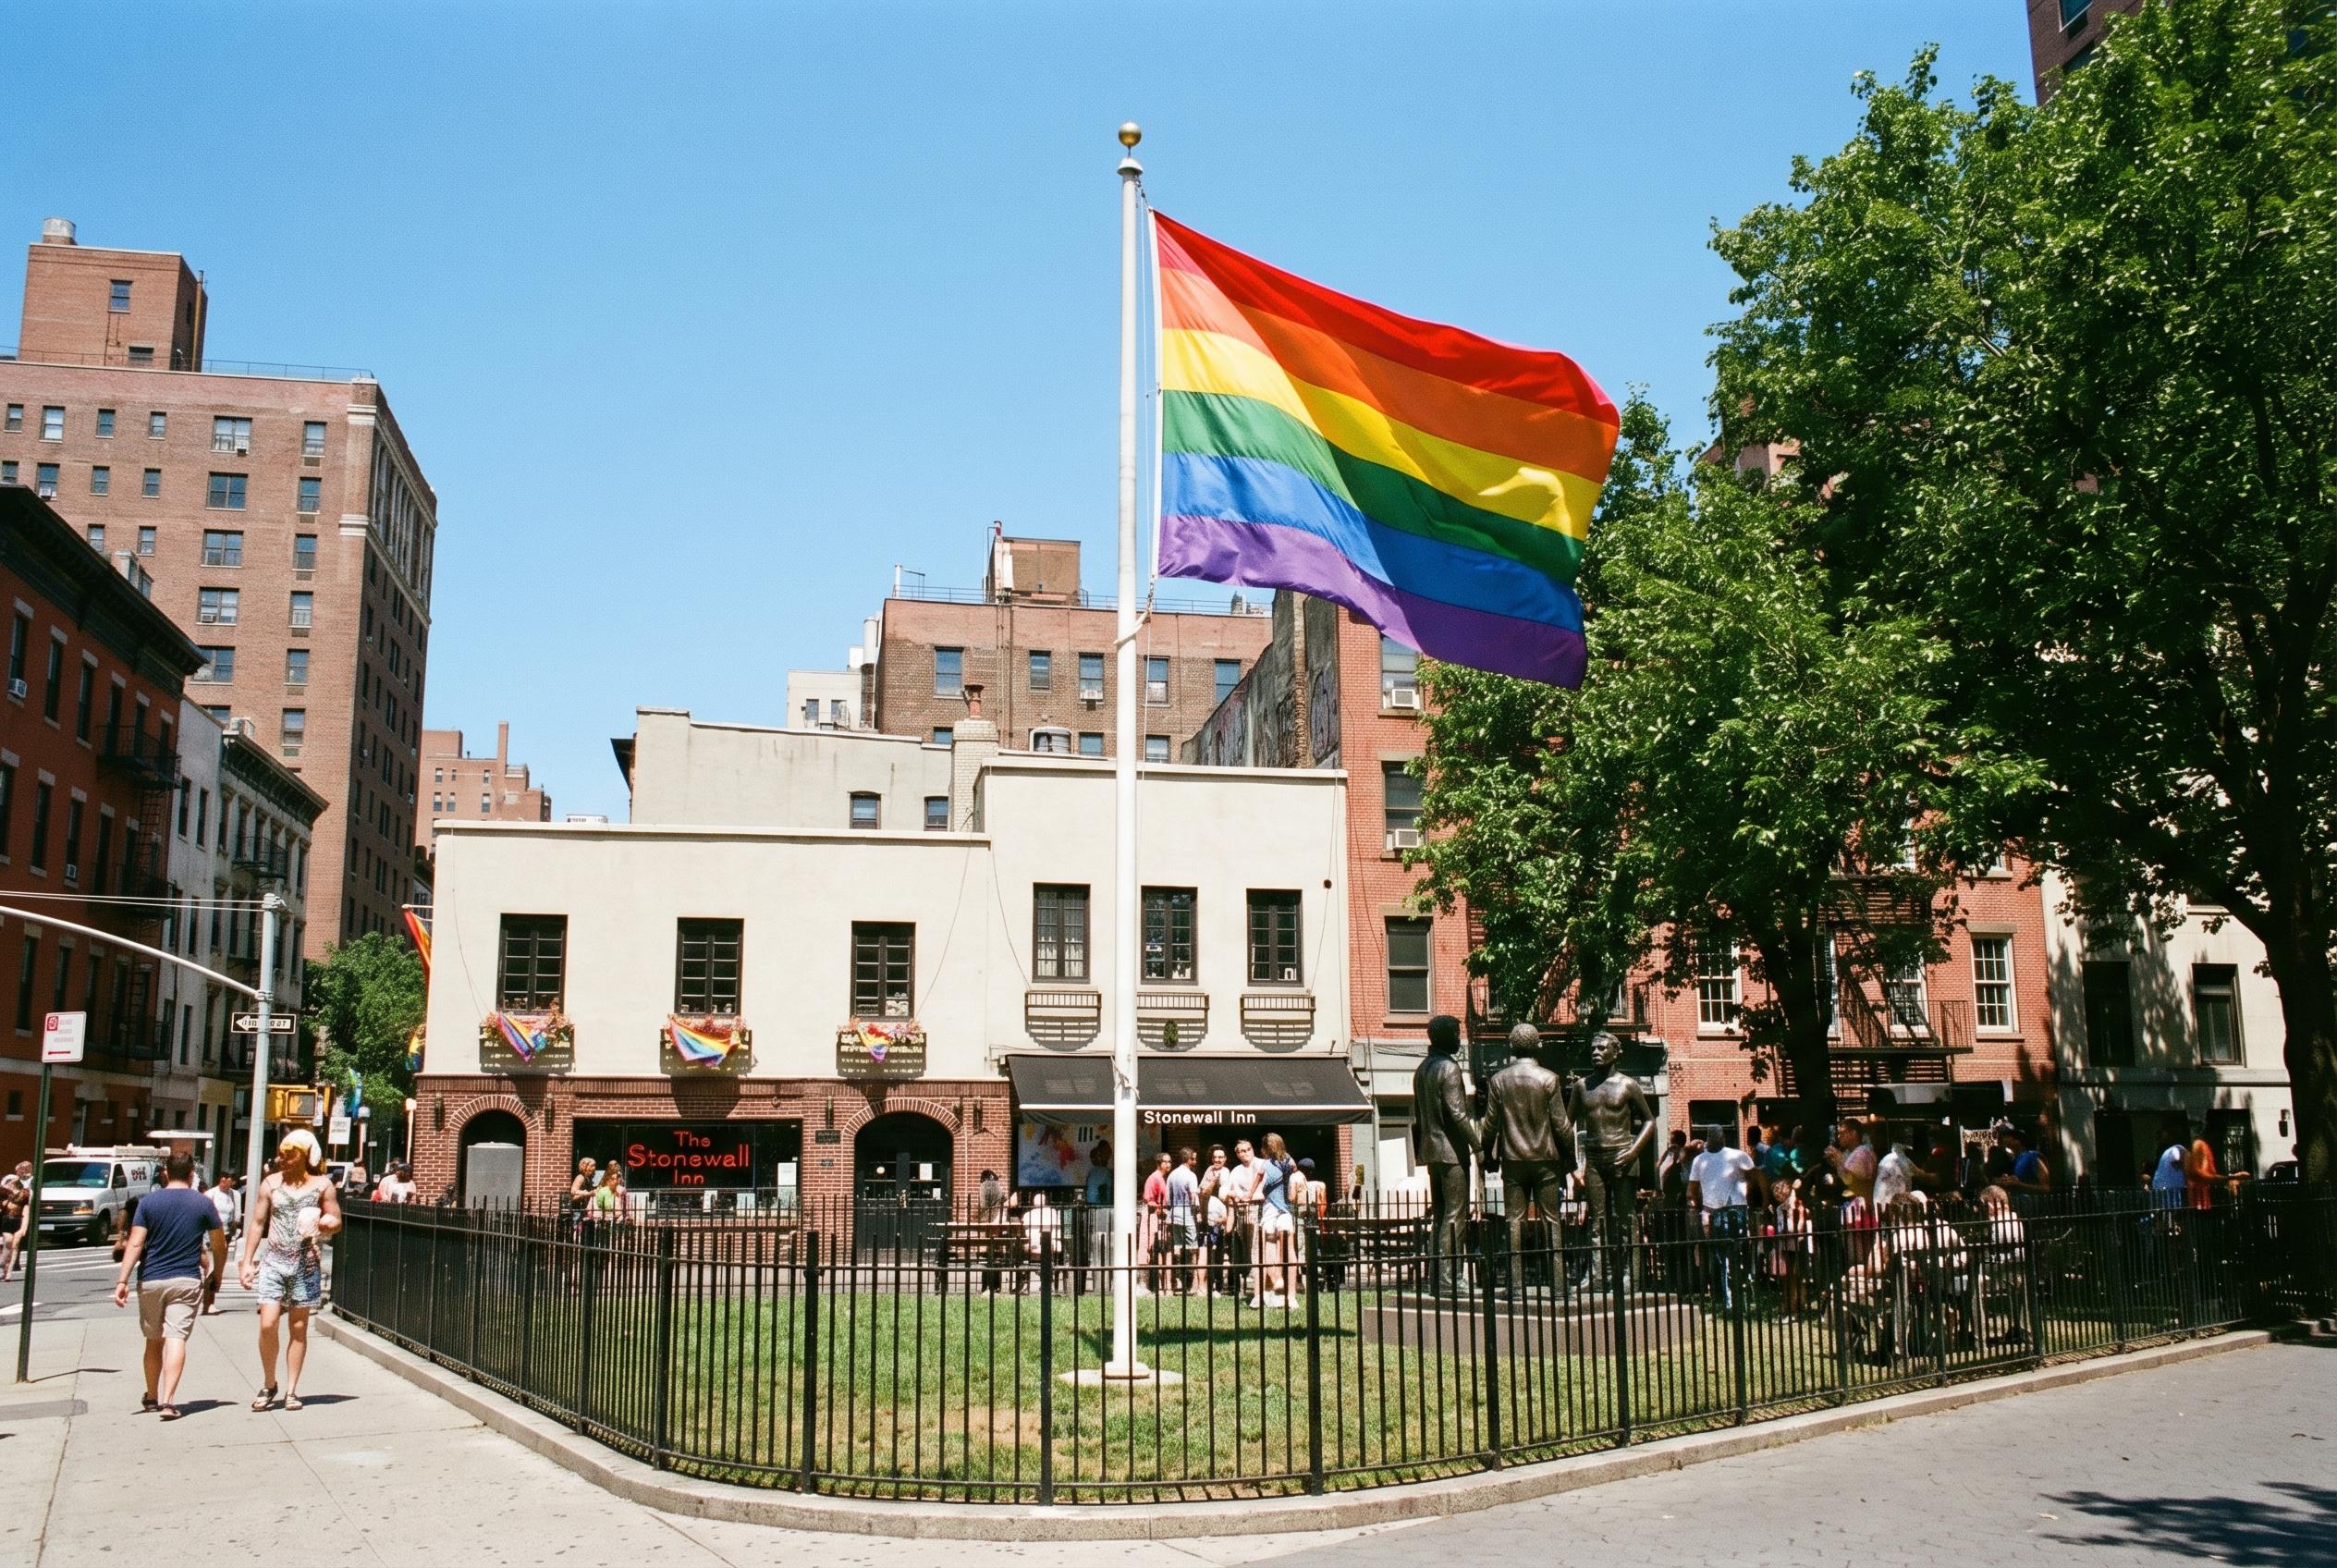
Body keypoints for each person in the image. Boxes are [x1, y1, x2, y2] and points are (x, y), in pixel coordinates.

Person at [112, 1150, 226, 1421]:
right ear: (191, 1174)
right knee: (176, 1337)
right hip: (186, 1279)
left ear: (165, 1173)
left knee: (153, 1341)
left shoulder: (148, 1203)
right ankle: (168, 1401)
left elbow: (136, 1243)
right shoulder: (203, 1203)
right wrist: (216, 1274)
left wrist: (122, 1280)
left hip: (151, 1278)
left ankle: (151, 1396)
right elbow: (219, 1245)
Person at [239, 1129, 343, 1412]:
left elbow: (336, 1221)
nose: (284, 1158)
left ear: (307, 1155)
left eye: (291, 1153)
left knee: (298, 1328)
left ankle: (292, 1390)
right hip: (273, 1260)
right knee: (267, 1324)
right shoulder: (270, 1183)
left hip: (305, 1262)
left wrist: (326, 1224)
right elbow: (258, 1223)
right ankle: (269, 1382)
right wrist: (247, 1261)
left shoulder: (323, 1185)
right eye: (283, 1153)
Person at [1688, 1126, 1755, 1310]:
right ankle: (1728, 1300)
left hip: (1736, 1209)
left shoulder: (1738, 1156)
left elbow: (1755, 1177)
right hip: (1714, 1212)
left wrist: (1755, 1198)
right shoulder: (1699, 1160)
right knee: (1720, 1257)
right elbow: (1692, 1190)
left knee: (1736, 1255)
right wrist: (1698, 1208)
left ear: (1723, 1137)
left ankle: (1741, 1297)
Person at [1250, 1133, 1297, 1308]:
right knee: (1285, 1247)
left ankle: (1278, 1282)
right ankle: (1287, 1292)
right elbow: (1293, 1181)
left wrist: (1248, 1195)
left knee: (1271, 1243)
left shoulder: (1267, 1164)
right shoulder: (1288, 1162)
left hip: (1273, 1209)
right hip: (1281, 1209)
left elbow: (1256, 1183)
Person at [201, 1173, 240, 1315]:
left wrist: (232, 1234)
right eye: (222, 1179)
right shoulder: (210, 1194)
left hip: (226, 1235)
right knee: (211, 1269)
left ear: (233, 1182)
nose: (224, 1182)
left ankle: (211, 1300)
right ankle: (208, 1304)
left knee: (218, 1271)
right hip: (210, 1234)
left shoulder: (235, 1195)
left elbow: (236, 1217)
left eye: (228, 1180)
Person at [1165, 1148, 1202, 1295]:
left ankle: (1178, 1279)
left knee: (1177, 1246)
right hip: (1187, 1213)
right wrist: (1198, 1213)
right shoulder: (1191, 1175)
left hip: (1174, 1213)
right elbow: (1194, 1196)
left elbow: (1168, 1198)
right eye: (1194, 1159)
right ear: (1189, 1160)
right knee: (1192, 1248)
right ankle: (1193, 1282)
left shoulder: (1172, 1175)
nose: (1196, 1161)